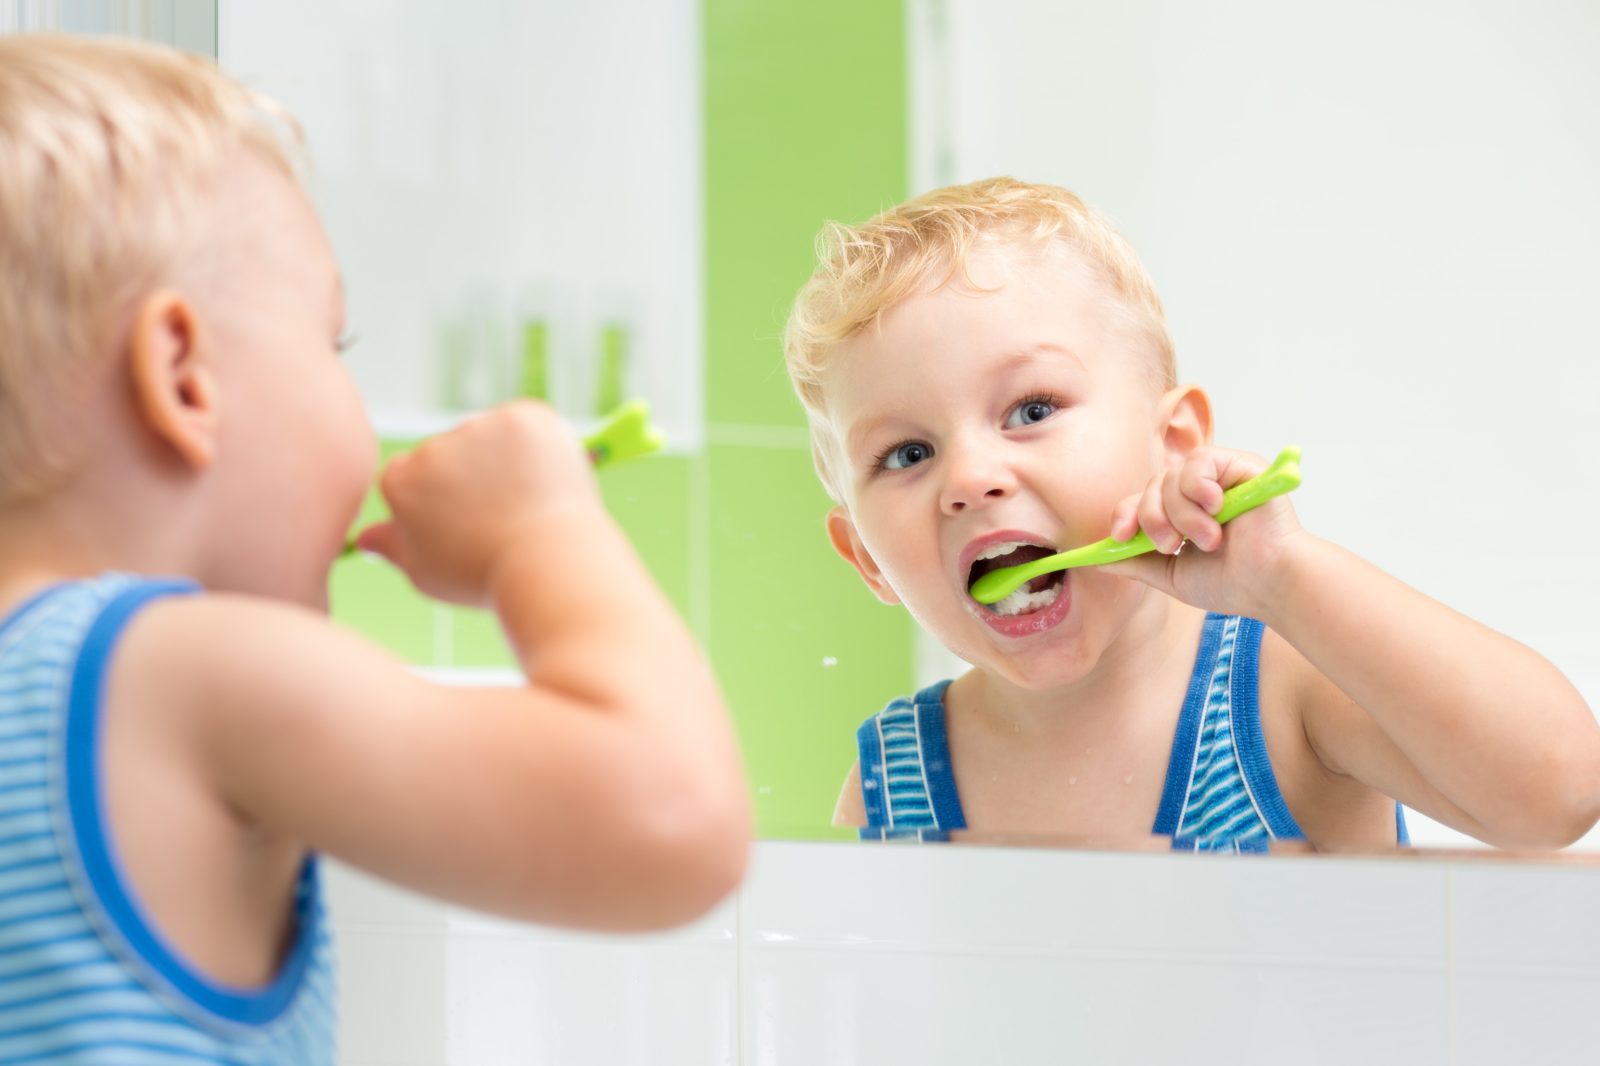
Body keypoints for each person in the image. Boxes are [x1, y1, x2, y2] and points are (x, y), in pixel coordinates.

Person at [0, 33, 749, 1063]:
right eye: (331, 342)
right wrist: (541, 532)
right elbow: (672, 819)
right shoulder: (176, 671)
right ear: (183, 376)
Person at [783, 176, 1600, 852]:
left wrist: (1286, 578)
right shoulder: (895, 781)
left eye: (1032, 409)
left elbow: (1559, 795)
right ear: (865, 560)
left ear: (1171, 445)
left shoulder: (1284, 698)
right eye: (907, 454)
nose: (971, 478)